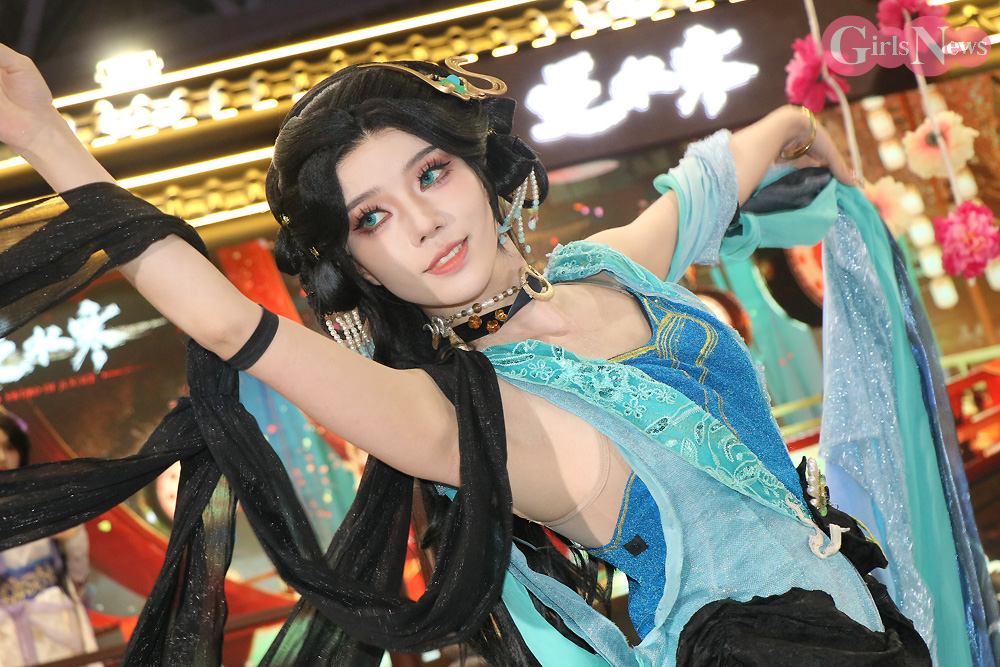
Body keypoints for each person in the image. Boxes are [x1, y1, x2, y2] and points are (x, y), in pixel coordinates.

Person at [0, 43, 949, 666]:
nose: (421, 222)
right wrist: (46, 134)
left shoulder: (602, 267)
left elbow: (704, 184)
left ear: (480, 165)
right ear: (354, 265)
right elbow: (221, 322)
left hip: (869, 622)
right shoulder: (459, 415)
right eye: (372, 218)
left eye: (430, 172)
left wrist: (795, 129)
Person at [0, 412, 100, 666]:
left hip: (55, 615)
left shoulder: (44, 498)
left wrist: (73, 536)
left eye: (8, 447)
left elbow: (78, 571)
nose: (1, 457)